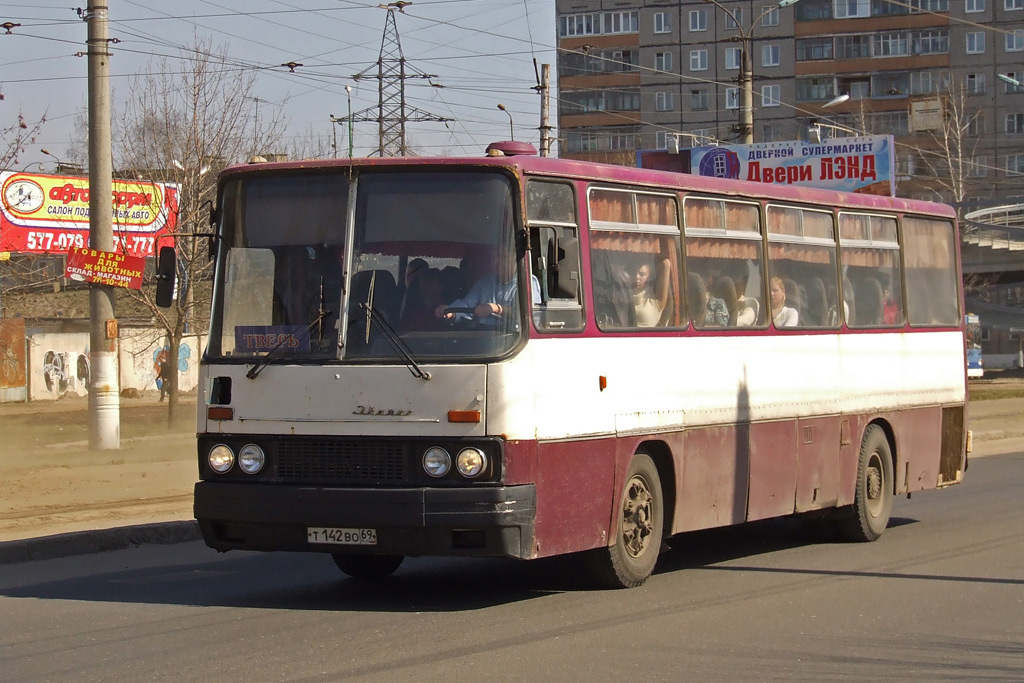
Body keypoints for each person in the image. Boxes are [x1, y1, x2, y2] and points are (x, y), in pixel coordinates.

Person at [435, 247, 540, 325]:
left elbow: (528, 315)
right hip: (485, 337)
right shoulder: (485, 282)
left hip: (514, 341)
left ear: (515, 258)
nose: (497, 261)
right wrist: (452, 312)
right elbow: (467, 304)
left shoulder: (527, 282)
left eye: (502, 257)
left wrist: (496, 308)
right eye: (494, 257)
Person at [631, 257, 671, 327]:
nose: (636, 276)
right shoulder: (625, 295)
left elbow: (666, 264)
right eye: (634, 273)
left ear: (649, 277)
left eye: (641, 274)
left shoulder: (655, 302)